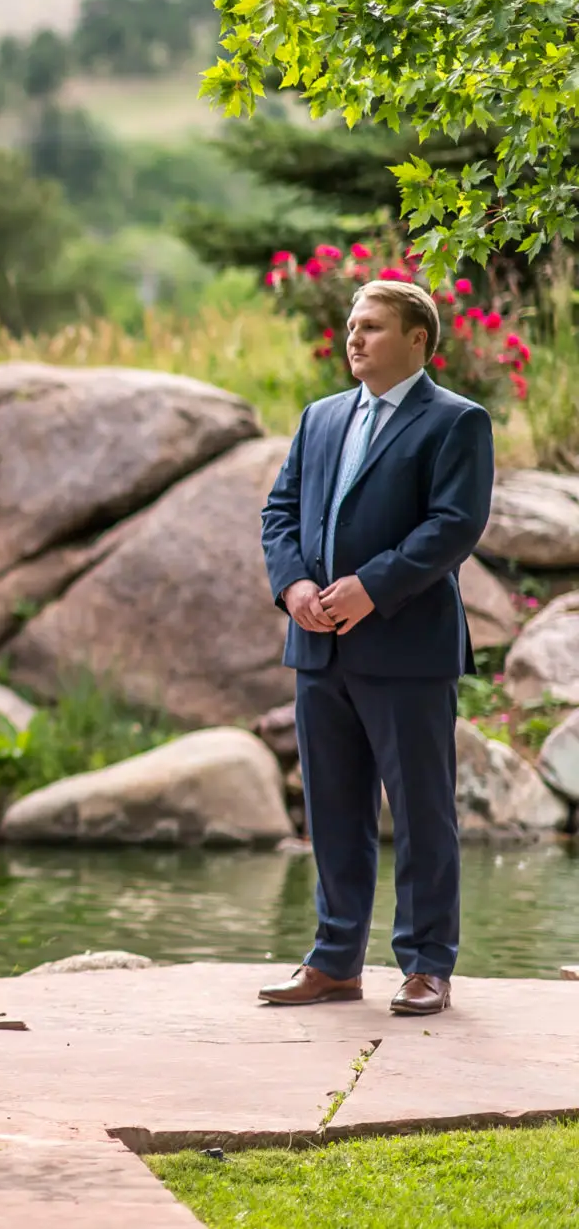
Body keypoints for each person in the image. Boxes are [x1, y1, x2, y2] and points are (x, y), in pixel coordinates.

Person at [259, 277, 494, 1018]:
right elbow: (281, 511)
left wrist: (371, 586)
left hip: (407, 650)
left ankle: (427, 965)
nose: (354, 338)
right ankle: (334, 962)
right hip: (318, 648)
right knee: (332, 811)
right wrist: (295, 587)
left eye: (371, 327)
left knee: (422, 813)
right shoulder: (320, 417)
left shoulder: (457, 422)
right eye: (352, 326)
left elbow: (453, 525)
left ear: (418, 339)